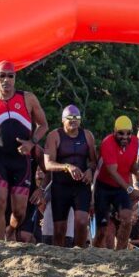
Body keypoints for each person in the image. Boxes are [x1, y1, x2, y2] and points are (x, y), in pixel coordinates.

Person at [0, 61, 48, 241]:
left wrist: (32, 142)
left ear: (15, 78)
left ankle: (11, 229)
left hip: (22, 161)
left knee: (19, 211)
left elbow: (43, 125)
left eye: (10, 76)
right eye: (2, 75)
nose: (6, 80)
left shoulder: (28, 98)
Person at [44, 105, 97, 248]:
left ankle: (78, 252)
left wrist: (90, 171)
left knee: (81, 222)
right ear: (63, 120)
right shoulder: (54, 135)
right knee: (59, 230)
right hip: (60, 186)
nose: (73, 121)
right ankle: (59, 257)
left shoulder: (87, 135)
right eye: (70, 118)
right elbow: (48, 164)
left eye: (77, 118)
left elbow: (93, 161)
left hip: (81, 185)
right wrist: (66, 166)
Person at [94, 116, 139, 250]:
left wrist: (137, 173)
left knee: (127, 219)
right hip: (104, 186)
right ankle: (94, 251)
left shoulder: (135, 142)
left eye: (128, 133)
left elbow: (131, 164)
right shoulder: (107, 143)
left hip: (120, 188)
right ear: (114, 132)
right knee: (102, 229)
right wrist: (130, 190)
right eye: (121, 133)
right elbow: (112, 171)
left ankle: (121, 253)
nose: (125, 137)